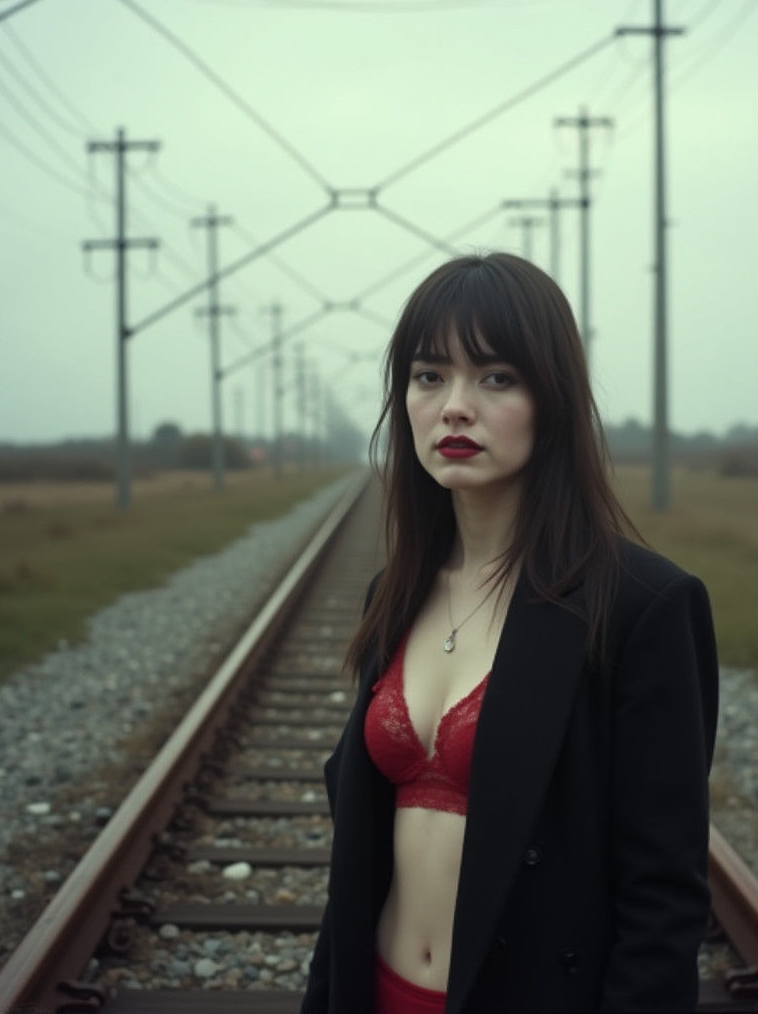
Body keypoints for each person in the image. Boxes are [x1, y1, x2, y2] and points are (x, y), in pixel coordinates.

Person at [301, 252, 718, 1014]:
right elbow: (356, 863)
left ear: (551, 400)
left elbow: (664, 899)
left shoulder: (641, 607)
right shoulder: (395, 594)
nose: (455, 406)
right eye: (430, 376)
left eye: (496, 378)